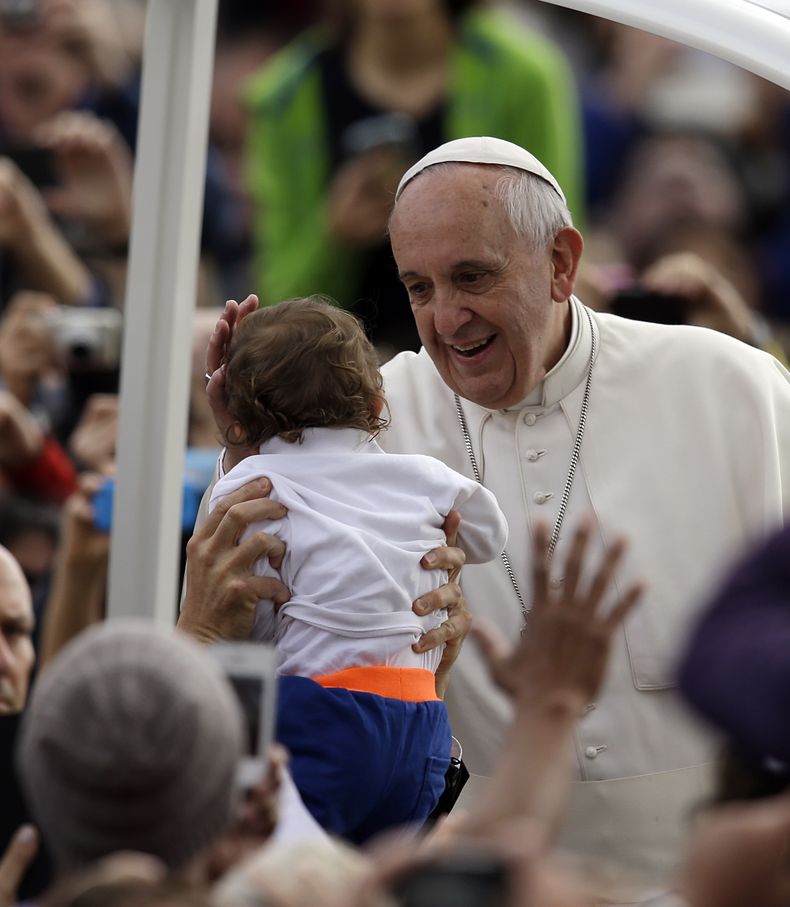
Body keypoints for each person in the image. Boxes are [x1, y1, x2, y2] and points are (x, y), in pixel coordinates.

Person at [198, 135, 790, 895]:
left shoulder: (732, 388)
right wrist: (254, 450)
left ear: (562, 263)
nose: (447, 318)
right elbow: (250, 624)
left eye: (472, 276)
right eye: (418, 288)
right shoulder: (367, 415)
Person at [209, 296, 508, 841]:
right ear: (375, 407)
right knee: (387, 876)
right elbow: (489, 535)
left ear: (239, 419)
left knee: (293, 872)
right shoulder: (420, 475)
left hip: (316, 713)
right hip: (420, 715)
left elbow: (235, 618)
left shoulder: (253, 487)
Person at [244, 0, 583, 351]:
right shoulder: (283, 95)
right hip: (334, 374)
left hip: (490, 359)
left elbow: (553, 254)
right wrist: (336, 234)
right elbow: (278, 302)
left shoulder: (526, 78)